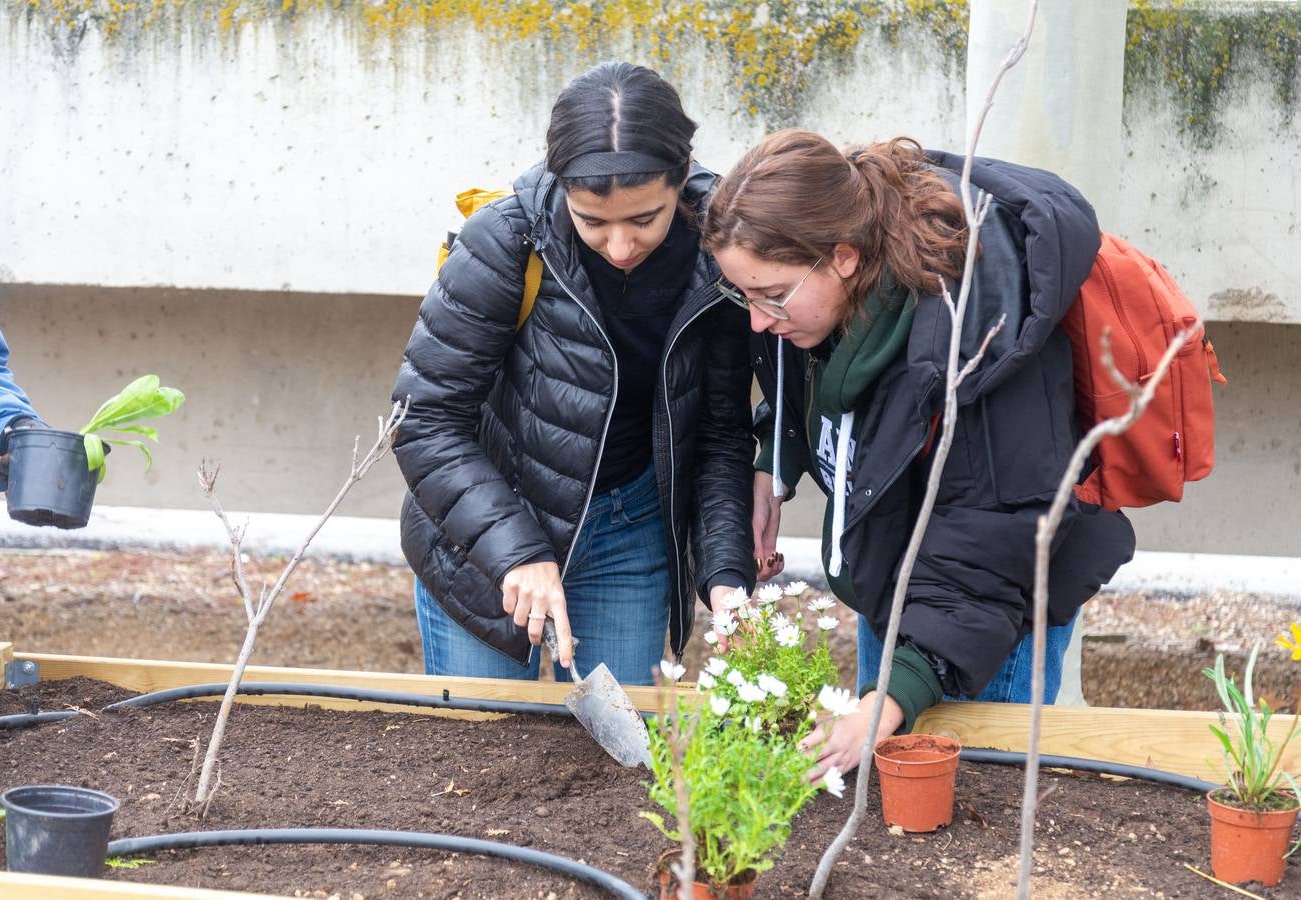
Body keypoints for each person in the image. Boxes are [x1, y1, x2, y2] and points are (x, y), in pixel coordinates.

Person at [702, 131, 1135, 774]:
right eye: (745, 296)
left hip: (994, 621)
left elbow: (997, 534)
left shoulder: (972, 337)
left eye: (773, 296)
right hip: (902, 585)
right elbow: (821, 401)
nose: (759, 321)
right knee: (895, 798)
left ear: (843, 258)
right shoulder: (827, 306)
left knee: (976, 811)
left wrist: (888, 699)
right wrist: (775, 461)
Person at [391, 62, 754, 685]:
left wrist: (724, 576)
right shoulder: (503, 242)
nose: (619, 246)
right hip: (486, 533)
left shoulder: (720, 251)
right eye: (593, 222)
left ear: (682, 175)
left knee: (617, 763)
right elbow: (424, 422)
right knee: (480, 750)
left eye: (645, 219)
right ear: (561, 186)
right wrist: (517, 552)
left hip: (630, 532)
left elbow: (719, 432)